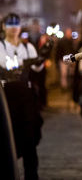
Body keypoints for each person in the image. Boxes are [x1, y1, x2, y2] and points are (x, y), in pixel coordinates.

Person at [0, 13, 44, 180]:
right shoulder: (1, 47)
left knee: (29, 140)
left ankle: (31, 176)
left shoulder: (27, 47)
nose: (13, 29)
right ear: (3, 27)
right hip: (7, 98)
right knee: (9, 138)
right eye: (9, 25)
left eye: (16, 25)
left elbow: (37, 69)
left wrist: (41, 57)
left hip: (26, 98)